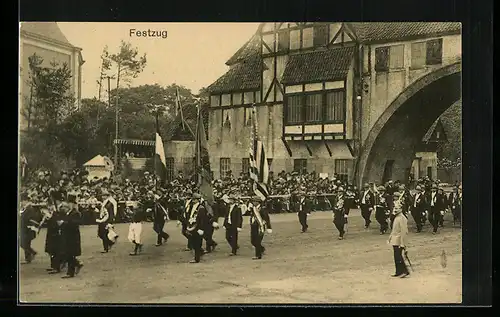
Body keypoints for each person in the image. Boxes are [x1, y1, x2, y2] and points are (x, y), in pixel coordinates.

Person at [59, 193, 84, 278]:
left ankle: (71, 271)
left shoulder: (75, 213)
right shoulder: (69, 213)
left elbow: (75, 223)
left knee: (70, 254)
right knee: (68, 253)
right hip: (68, 236)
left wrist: (64, 223)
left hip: (73, 236)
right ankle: (76, 265)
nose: (68, 204)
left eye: (70, 203)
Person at [387, 193, 410, 278]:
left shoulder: (402, 218)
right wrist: (390, 237)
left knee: (399, 256)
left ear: (401, 209)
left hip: (399, 240)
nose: (395, 210)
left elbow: (404, 232)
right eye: (394, 208)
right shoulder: (396, 217)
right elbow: (394, 229)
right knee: (396, 257)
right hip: (394, 239)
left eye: (397, 208)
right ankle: (398, 271)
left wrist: (403, 243)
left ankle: (405, 271)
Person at [45, 190, 65, 273]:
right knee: (51, 249)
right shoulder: (56, 207)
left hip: (56, 230)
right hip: (52, 230)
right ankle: (54, 265)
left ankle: (57, 266)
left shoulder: (61, 208)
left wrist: (50, 217)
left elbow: (59, 220)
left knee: (55, 249)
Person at [185, 193, 208, 263]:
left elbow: (203, 219)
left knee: (197, 243)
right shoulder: (192, 206)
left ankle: (196, 258)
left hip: (198, 227)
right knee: (193, 242)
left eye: (194, 199)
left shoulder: (201, 208)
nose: (193, 200)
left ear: (198, 200)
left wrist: (201, 229)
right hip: (192, 226)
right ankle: (200, 253)